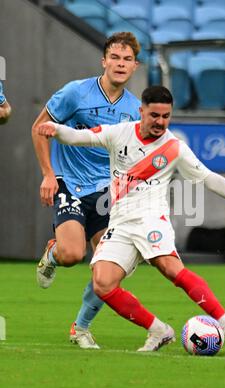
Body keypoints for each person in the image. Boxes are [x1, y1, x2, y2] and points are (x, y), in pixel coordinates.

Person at [37, 86, 225, 355]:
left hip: (152, 219)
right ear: (141, 111)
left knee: (170, 267)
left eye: (166, 116)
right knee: (103, 282)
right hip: (120, 222)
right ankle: (157, 329)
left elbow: (210, 178)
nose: (160, 122)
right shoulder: (120, 133)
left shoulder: (173, 147)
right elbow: (79, 137)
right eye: (155, 115)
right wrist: (56, 130)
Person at [32, 32, 141, 349]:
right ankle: (53, 254)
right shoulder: (75, 93)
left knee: (112, 268)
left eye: (127, 59)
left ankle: (80, 328)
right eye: (115, 58)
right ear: (104, 61)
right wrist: (48, 175)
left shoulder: (135, 110)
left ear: (135, 66)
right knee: (72, 255)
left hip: (108, 192)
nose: (120, 64)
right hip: (69, 182)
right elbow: (39, 129)